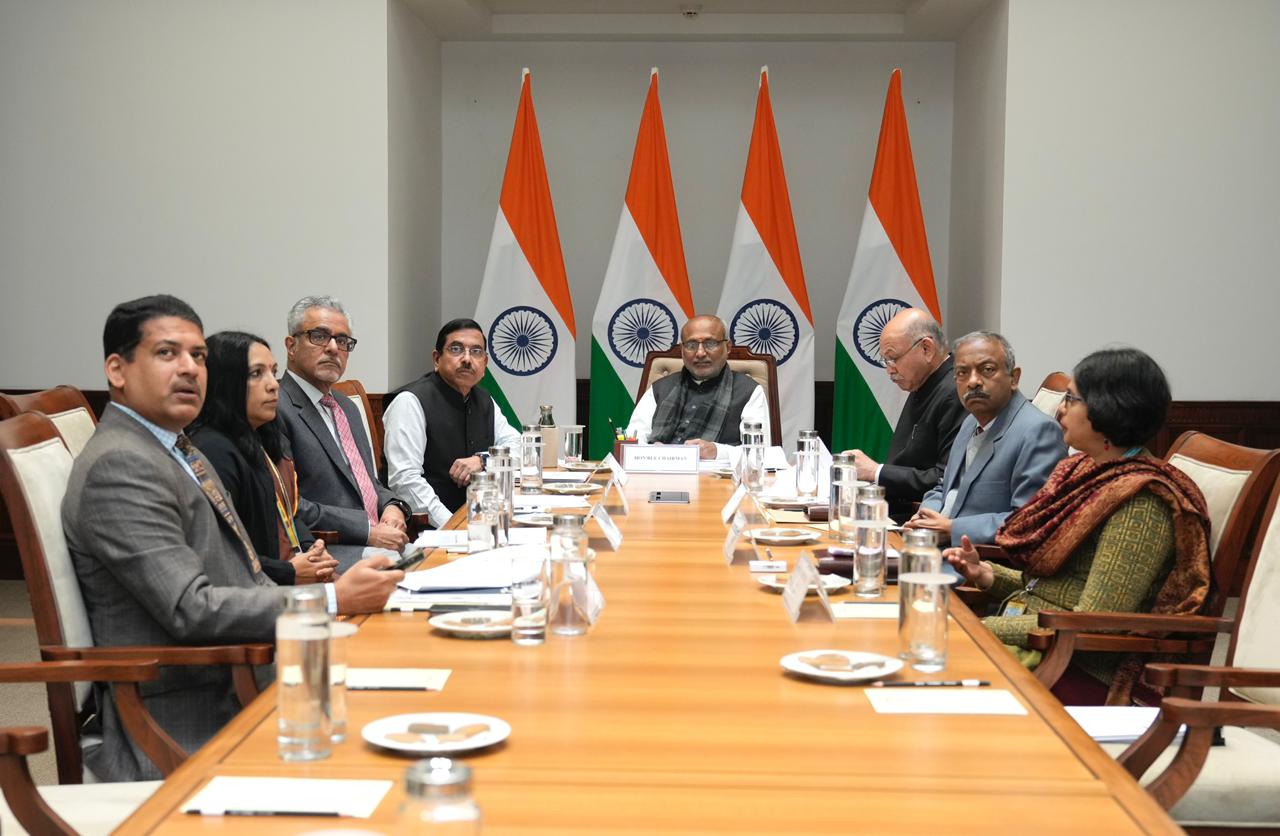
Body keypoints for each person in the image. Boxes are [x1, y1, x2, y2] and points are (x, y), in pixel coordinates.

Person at [62, 295, 402, 781]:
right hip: (189, 708)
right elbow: (191, 608)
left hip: (250, 666)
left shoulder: (175, 446)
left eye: (198, 356)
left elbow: (244, 570)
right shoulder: (123, 464)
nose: (189, 370)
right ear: (117, 370)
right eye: (166, 354)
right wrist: (327, 600)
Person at [943, 347, 1211, 700]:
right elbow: (1056, 585)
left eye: (1073, 398)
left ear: (1109, 408)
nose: (1060, 408)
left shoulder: (1140, 501)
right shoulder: (1086, 471)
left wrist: (980, 628)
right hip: (1036, 639)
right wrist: (990, 575)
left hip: (1076, 667)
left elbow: (1095, 620)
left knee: (925, 663)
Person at [188, 331, 338, 585]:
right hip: (257, 594)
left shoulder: (263, 437)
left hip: (289, 578)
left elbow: (289, 515)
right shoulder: (212, 451)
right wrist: (288, 571)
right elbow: (220, 554)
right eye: (257, 374)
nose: (274, 384)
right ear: (225, 383)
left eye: (273, 371)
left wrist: (311, 550)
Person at [276, 295, 412, 553]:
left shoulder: (346, 406)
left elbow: (366, 482)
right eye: (319, 336)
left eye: (342, 341)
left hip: (381, 542)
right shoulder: (276, 407)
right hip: (329, 550)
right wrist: (368, 532)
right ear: (291, 346)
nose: (333, 348)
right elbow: (288, 504)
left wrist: (393, 505)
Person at [909, 331, 1066, 545]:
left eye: (987, 370)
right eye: (962, 373)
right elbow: (944, 487)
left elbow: (1028, 521)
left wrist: (952, 529)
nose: (973, 382)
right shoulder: (970, 422)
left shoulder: (1039, 432)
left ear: (1014, 377)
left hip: (978, 562)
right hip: (933, 545)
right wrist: (927, 515)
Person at [383, 318, 523, 529]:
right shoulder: (409, 402)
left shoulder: (484, 400)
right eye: (456, 349)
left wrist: (483, 461)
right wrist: (452, 526)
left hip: (480, 522)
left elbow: (518, 448)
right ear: (437, 359)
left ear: (484, 364)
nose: (467, 359)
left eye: (476, 351)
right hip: (429, 530)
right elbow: (405, 480)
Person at [843, 308, 966, 520]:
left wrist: (876, 472)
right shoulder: (922, 381)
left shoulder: (955, 391)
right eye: (885, 361)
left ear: (926, 349)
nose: (889, 370)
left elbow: (945, 479)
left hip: (917, 518)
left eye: (893, 359)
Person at [625, 315, 770, 460]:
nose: (700, 353)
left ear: (728, 347)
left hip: (717, 480)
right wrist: (655, 453)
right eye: (691, 345)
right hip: (658, 477)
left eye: (710, 343)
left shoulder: (748, 391)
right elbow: (631, 441)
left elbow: (760, 453)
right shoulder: (659, 389)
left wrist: (717, 452)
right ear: (682, 349)